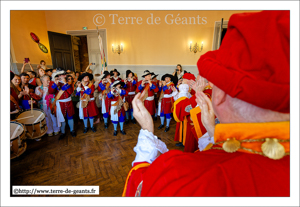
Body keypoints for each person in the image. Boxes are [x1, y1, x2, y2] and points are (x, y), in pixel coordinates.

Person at [123, 10, 290, 197]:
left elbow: (142, 187)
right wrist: (212, 132)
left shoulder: (182, 177)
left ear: (220, 98)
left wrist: (146, 131)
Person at [172, 74, 212, 152]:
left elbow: (183, 108)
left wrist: (195, 92)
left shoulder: (206, 93)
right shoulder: (211, 90)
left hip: (197, 129)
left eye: (198, 77)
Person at [48, 67, 76, 139]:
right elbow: (50, 92)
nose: (65, 75)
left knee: (70, 117)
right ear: (58, 76)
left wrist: (65, 83)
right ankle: (63, 132)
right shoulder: (53, 82)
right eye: (63, 74)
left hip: (68, 102)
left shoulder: (68, 82)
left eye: (65, 74)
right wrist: (55, 84)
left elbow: (70, 92)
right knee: (62, 118)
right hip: (60, 103)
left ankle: (72, 130)